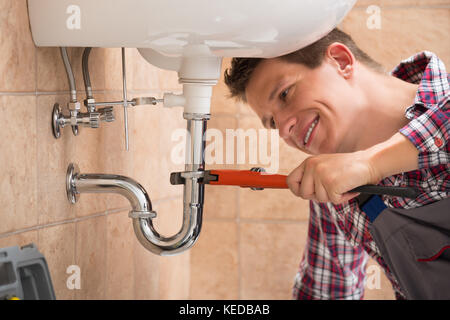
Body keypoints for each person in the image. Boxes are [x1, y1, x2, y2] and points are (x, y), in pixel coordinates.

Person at [224, 28, 449, 299]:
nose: (284, 130)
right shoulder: (334, 191)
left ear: (341, 61)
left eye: (285, 94)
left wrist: (370, 165)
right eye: (272, 123)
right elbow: (325, 292)